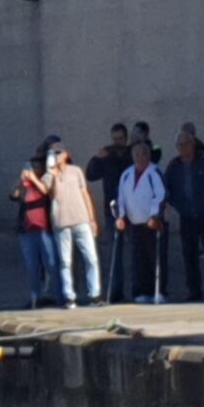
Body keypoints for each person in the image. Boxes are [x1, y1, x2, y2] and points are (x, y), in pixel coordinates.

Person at [163, 131, 204, 302]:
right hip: (187, 216)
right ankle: (194, 290)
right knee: (189, 254)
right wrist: (171, 203)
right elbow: (166, 188)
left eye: (186, 144)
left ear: (193, 144)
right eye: (180, 145)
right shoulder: (174, 166)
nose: (183, 148)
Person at [44, 140, 101, 308]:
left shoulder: (76, 171)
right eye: (53, 153)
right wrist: (53, 175)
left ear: (66, 155)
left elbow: (85, 194)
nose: (56, 155)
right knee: (65, 262)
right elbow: (50, 193)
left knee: (91, 257)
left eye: (59, 152)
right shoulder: (48, 175)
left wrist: (92, 219)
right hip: (61, 223)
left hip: (81, 220)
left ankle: (94, 294)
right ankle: (69, 296)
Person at [115, 140, 167, 304]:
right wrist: (121, 216)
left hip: (152, 223)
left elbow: (160, 195)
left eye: (144, 153)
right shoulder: (126, 174)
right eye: (136, 154)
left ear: (149, 154)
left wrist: (155, 216)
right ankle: (141, 292)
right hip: (134, 223)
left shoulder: (154, 172)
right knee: (138, 259)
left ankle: (159, 291)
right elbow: (121, 198)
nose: (140, 157)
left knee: (156, 258)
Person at [86, 124, 133, 303]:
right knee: (114, 253)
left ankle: (137, 289)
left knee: (135, 252)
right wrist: (96, 158)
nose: (117, 143)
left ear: (126, 138)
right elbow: (91, 175)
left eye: (120, 139)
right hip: (112, 211)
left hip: (132, 210)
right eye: (115, 139)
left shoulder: (131, 154)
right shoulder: (107, 156)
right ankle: (115, 291)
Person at [11, 151, 56, 308]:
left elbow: (45, 192)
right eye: (32, 167)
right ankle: (35, 296)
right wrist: (20, 180)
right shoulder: (27, 184)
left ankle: (54, 294)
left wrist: (34, 178)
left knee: (50, 263)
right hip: (27, 230)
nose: (34, 170)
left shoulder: (45, 180)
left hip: (44, 228)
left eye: (37, 167)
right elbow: (14, 195)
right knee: (32, 265)